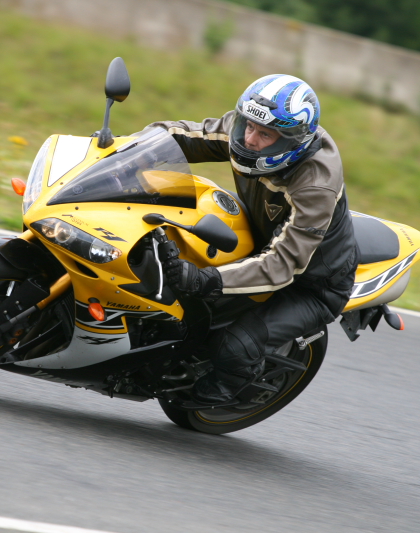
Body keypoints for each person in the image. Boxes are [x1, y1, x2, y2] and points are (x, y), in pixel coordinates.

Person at [147, 74, 359, 406]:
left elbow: (282, 264)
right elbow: (187, 135)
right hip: (261, 235)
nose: (249, 139)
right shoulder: (249, 124)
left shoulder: (315, 183)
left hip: (311, 283)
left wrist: (209, 279)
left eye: (265, 135)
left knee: (234, 345)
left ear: (291, 141)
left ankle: (235, 385)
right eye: (248, 126)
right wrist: (128, 146)